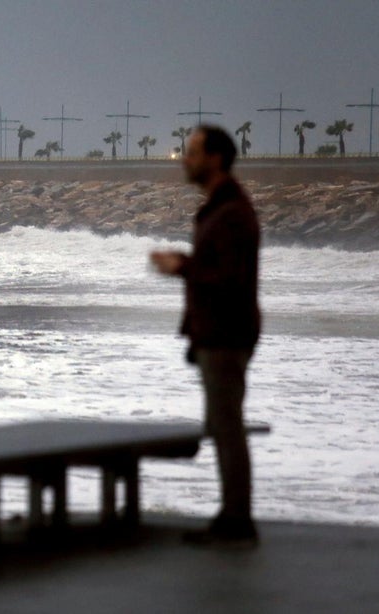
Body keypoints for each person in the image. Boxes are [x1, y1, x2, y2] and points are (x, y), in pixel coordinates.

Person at [150, 125, 261, 547]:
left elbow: (229, 279)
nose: (185, 160)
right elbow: (221, 270)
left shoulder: (231, 211)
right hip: (216, 333)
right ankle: (232, 516)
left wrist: (181, 267)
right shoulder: (222, 206)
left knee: (227, 427)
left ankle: (237, 521)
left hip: (226, 335)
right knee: (221, 425)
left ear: (215, 158)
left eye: (193, 153)